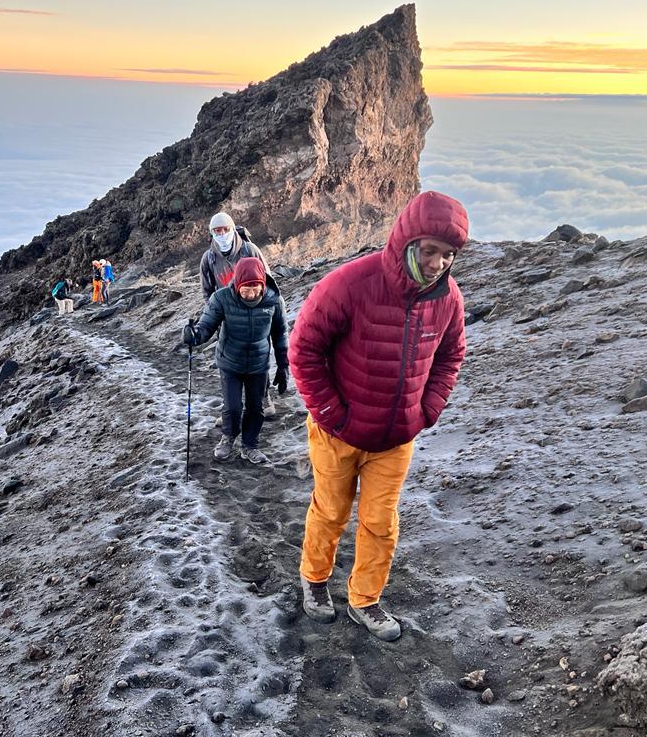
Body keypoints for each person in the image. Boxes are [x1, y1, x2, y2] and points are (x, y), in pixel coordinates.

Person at [289, 191, 468, 641]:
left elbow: (451, 356)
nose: (438, 264)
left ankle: (365, 599)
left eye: (448, 255)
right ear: (408, 240)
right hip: (337, 433)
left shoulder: (448, 299)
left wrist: (426, 410)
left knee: (381, 524)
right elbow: (304, 349)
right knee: (331, 511)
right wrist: (330, 414)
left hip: (395, 439)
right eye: (430, 251)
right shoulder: (349, 283)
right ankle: (314, 580)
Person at [183, 257, 288, 465]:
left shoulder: (274, 301)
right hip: (230, 361)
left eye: (256, 288)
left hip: (258, 363)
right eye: (245, 289)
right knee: (232, 407)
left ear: (263, 284)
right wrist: (194, 335)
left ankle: (250, 446)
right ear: (237, 284)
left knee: (255, 408)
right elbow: (207, 326)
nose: (251, 294)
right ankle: (228, 437)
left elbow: (280, 334)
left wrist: (283, 366)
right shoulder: (221, 298)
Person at [199, 211, 277, 418]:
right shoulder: (208, 258)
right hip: (226, 315)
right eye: (217, 231)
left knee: (257, 355)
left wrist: (266, 309)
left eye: (225, 229)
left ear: (233, 229)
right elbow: (207, 291)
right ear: (211, 233)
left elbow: (268, 281)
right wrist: (215, 313)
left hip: (255, 310)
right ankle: (231, 407)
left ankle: (264, 398)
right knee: (228, 361)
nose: (222, 234)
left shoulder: (250, 250)